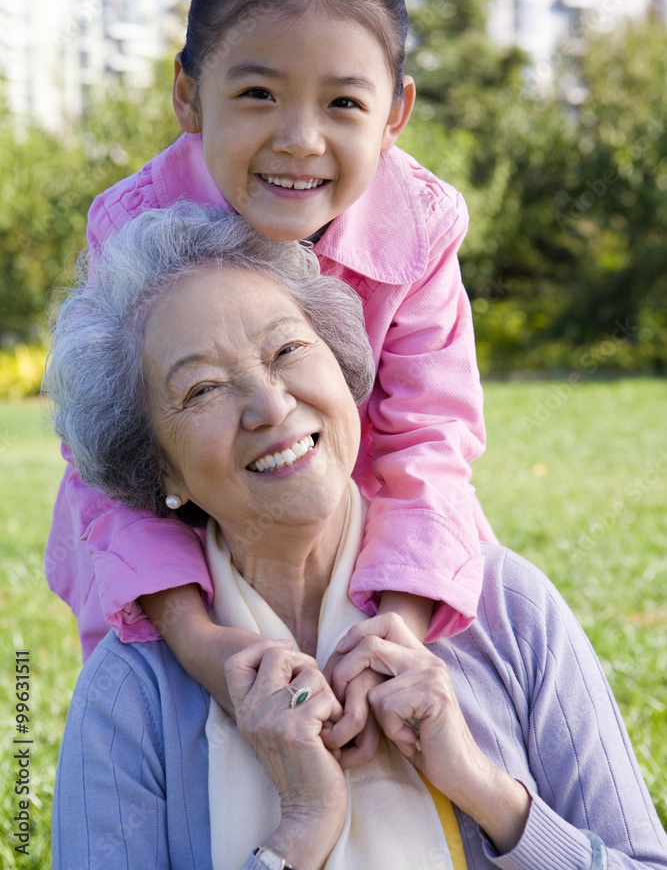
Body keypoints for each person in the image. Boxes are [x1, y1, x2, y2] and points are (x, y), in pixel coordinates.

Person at [48, 206, 667, 869]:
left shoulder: (506, 609)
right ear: (160, 469)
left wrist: (485, 791)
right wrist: (300, 833)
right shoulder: (130, 694)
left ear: (344, 373)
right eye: (202, 389)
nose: (271, 405)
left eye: (287, 349)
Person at [46, 0, 497, 754]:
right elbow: (109, 473)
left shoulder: (419, 228)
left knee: (422, 723)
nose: (299, 139)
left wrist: (393, 624)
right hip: (199, 542)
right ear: (188, 95)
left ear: (394, 112)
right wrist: (199, 640)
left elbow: (428, 440)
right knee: (171, 736)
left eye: (343, 103)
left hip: (360, 536)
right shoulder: (135, 226)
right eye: (257, 94)